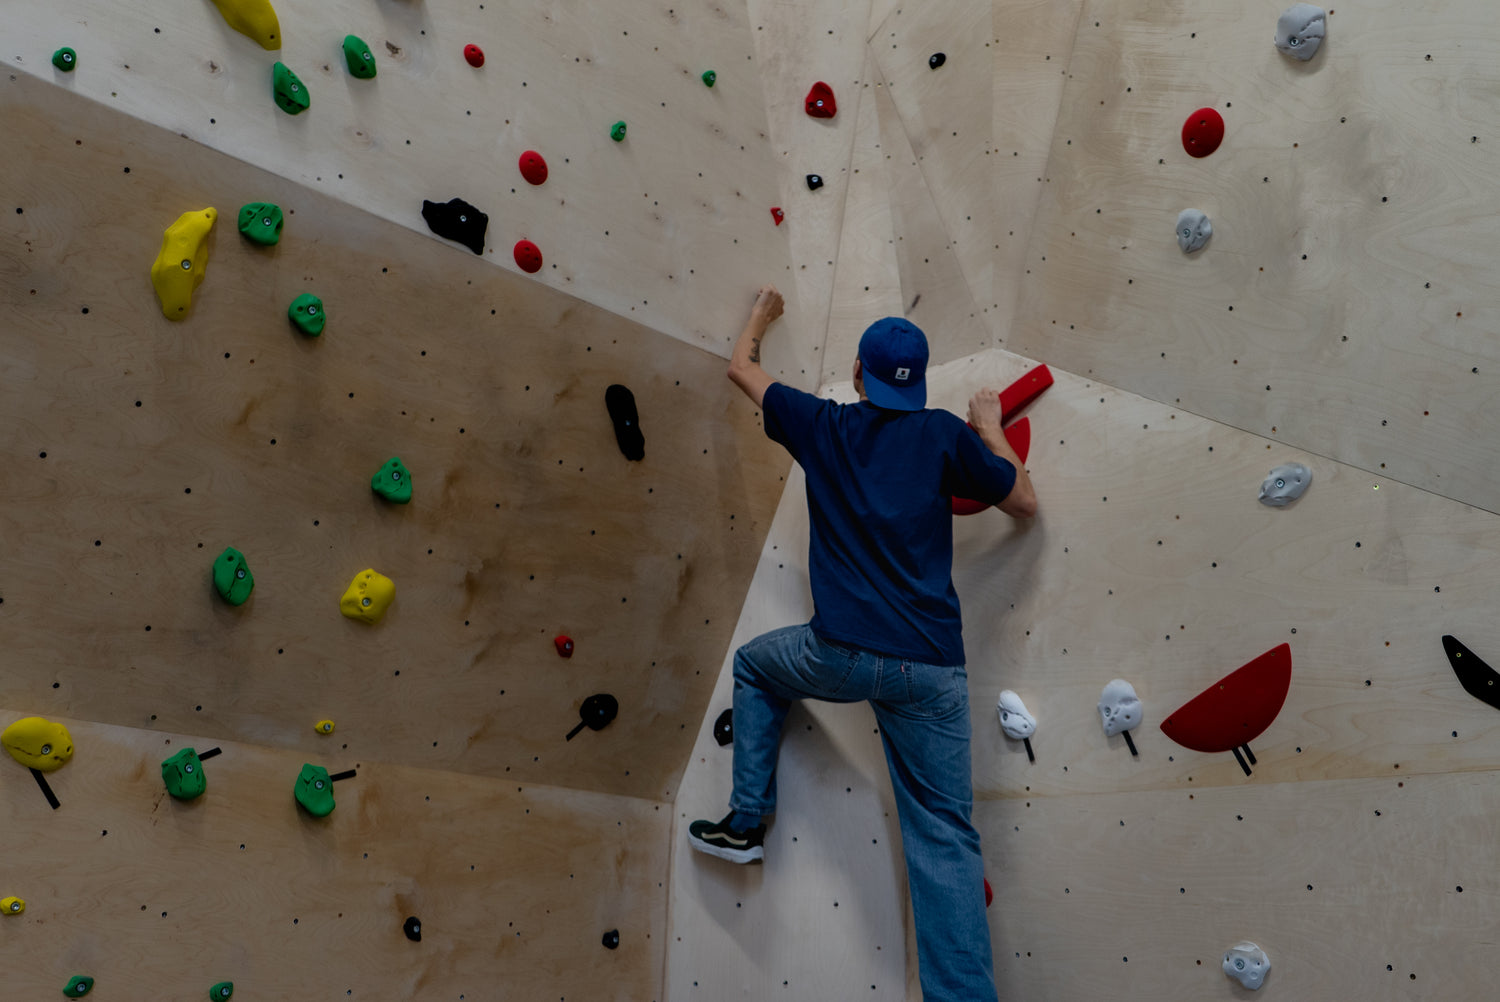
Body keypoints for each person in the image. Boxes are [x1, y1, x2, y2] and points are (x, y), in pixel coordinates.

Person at [687, 285, 1036, 1002]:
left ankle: (746, 822)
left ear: (858, 373)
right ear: (919, 381)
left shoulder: (824, 425)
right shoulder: (945, 435)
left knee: (756, 665)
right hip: (933, 670)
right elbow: (1024, 503)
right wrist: (990, 424)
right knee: (945, 837)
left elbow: (741, 371)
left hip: (840, 653)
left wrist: (759, 315)